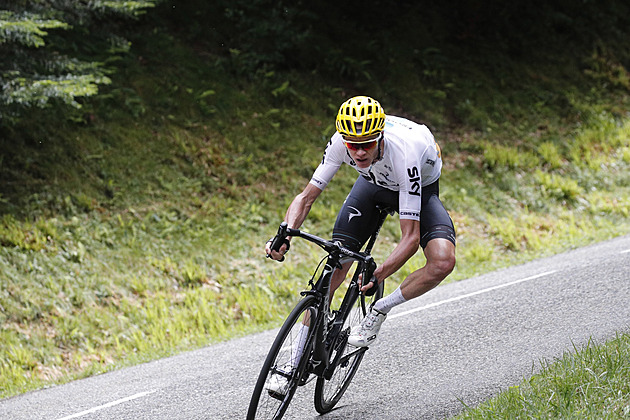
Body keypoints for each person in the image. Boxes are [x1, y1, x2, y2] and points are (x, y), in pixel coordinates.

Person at [266, 94, 456, 357]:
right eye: (352, 145)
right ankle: (293, 359)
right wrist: (285, 231)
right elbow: (306, 197)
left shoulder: (405, 152)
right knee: (335, 264)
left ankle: (380, 310)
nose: (359, 152)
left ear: (380, 137)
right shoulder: (339, 142)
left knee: (443, 261)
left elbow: (410, 238)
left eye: (367, 144)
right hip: (372, 186)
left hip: (417, 188)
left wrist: (380, 274)